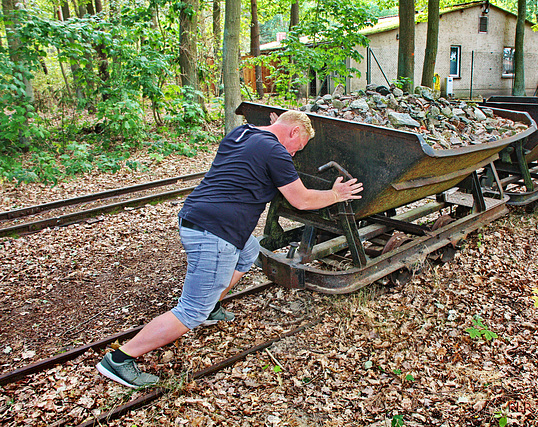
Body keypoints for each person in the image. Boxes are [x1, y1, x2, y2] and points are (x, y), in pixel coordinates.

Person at [96, 110, 364, 388]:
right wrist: (336, 194)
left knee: (249, 253)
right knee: (191, 311)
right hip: (216, 233)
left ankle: (212, 305)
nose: (296, 154)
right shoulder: (275, 151)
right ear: (294, 132)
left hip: (195, 216)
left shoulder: (242, 133)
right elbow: (302, 200)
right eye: (300, 146)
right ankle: (119, 359)